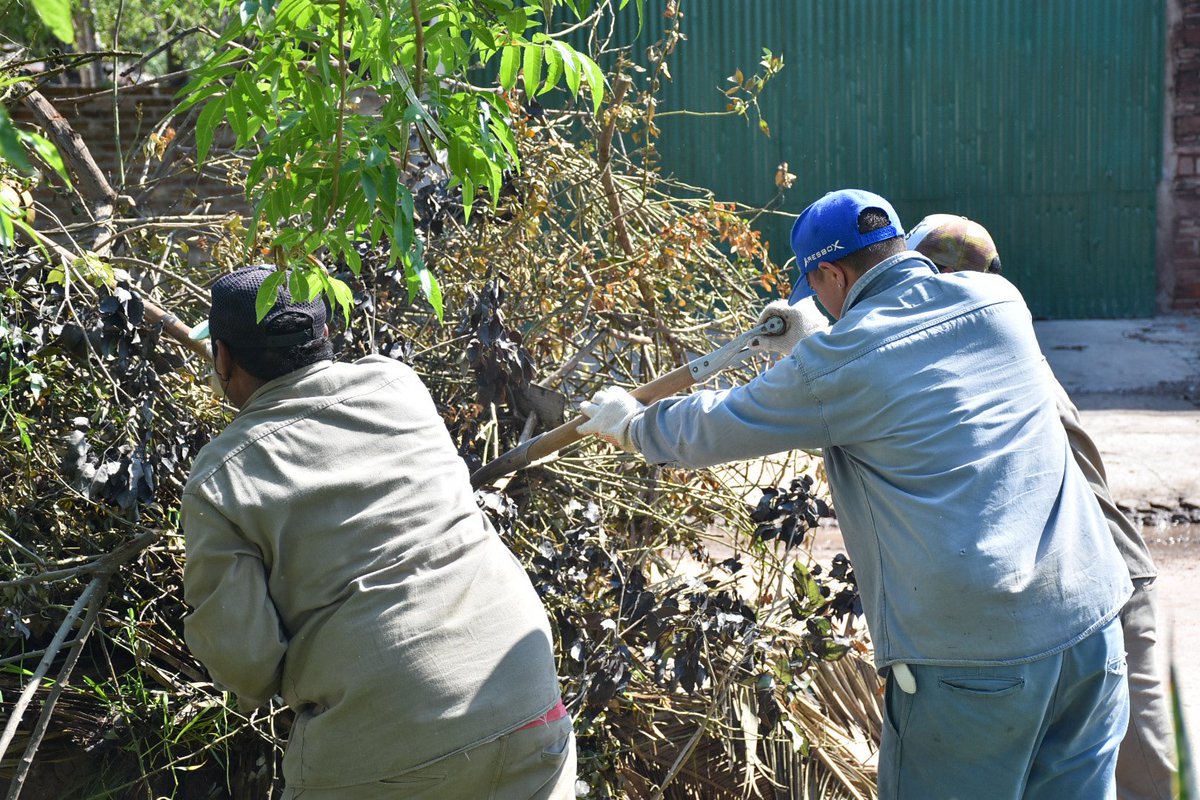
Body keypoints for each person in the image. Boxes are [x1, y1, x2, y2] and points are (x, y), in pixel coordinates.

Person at [577, 189, 1133, 798]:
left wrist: (631, 423)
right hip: (1091, 623)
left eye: (816, 288)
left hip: (974, 657)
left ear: (829, 274)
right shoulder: (1001, 303)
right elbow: (910, 364)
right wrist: (818, 344)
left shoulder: (836, 366)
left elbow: (713, 426)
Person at [182, 265, 574, 800]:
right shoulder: (399, 385)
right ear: (324, 335)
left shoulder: (220, 477)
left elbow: (247, 667)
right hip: (530, 707)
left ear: (223, 359)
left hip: (386, 752)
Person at [909, 214, 1178, 800]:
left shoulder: (1001, 365)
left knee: (1151, 780)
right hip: (1069, 594)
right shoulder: (988, 351)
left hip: (1113, 583)